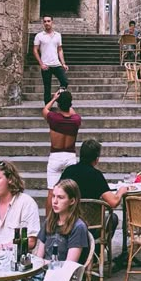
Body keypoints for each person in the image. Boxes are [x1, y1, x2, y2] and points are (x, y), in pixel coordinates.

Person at [43, 88, 81, 216]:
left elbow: (45, 110)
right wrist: (67, 101)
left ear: (58, 104)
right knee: (70, 191)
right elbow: (73, 113)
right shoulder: (76, 120)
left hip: (55, 156)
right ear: (70, 104)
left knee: (51, 191)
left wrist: (54, 98)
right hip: (70, 156)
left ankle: (49, 224)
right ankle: (69, 218)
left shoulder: (53, 118)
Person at [33, 16, 69, 105]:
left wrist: (63, 63)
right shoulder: (39, 35)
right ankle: (47, 107)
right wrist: (41, 64)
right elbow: (35, 50)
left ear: (52, 22)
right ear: (43, 23)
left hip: (56, 64)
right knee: (47, 87)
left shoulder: (58, 35)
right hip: (46, 66)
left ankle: (59, 98)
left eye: (48, 21)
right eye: (45, 21)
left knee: (64, 81)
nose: (46, 23)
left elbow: (60, 49)